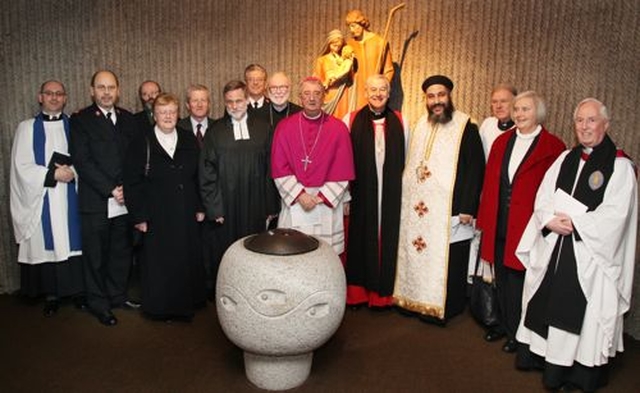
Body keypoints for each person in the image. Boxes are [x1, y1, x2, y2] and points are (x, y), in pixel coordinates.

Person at [515, 98, 637, 392]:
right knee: (544, 297)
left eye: (591, 120)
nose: (584, 126)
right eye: (580, 121)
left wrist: (577, 224)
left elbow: (616, 215)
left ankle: (578, 373)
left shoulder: (619, 167)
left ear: (605, 124)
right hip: (556, 244)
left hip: (590, 255)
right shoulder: (564, 159)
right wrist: (548, 220)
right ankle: (546, 360)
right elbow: (543, 197)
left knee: (582, 307)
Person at [475, 91, 565, 353]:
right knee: (502, 278)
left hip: (528, 227)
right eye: (517, 109)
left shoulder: (553, 146)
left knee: (521, 280)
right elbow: (491, 183)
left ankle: (519, 332)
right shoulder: (502, 142)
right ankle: (503, 325)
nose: (519, 114)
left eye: (525, 109)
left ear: (538, 113)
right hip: (499, 221)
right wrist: (485, 218)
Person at [394, 75, 485, 324]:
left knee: (450, 258)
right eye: (432, 96)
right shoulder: (421, 124)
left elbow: (476, 167)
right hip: (420, 208)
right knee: (419, 252)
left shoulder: (466, 125)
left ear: (449, 96)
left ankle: (446, 307)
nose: (437, 101)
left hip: (451, 208)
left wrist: (468, 206)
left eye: (441, 95)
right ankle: (415, 301)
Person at [124, 93, 206, 321]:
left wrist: (200, 206)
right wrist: (139, 216)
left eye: (172, 111)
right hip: (156, 213)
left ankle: (186, 304)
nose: (168, 116)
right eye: (163, 112)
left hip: (186, 210)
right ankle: (161, 308)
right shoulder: (142, 142)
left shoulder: (189, 139)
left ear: (178, 113)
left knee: (185, 258)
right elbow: (132, 181)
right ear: (154, 115)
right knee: (160, 262)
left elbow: (199, 175)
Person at [9, 80, 84, 317]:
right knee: (48, 241)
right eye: (49, 93)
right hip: (42, 195)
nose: (54, 97)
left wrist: (73, 173)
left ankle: (79, 292)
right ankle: (51, 294)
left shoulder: (77, 126)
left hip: (71, 194)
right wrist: (52, 174)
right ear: (40, 97)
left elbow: (88, 159)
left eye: (59, 93)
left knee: (74, 240)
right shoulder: (27, 128)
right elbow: (21, 167)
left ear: (65, 98)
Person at [70, 70, 138, 326]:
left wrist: (127, 189)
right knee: (96, 256)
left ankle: (117, 296)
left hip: (124, 200)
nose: (107, 92)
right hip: (97, 200)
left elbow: (134, 159)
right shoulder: (80, 120)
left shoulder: (129, 119)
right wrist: (112, 188)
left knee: (121, 252)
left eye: (111, 87)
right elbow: (82, 161)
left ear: (118, 90)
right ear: (92, 91)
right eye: (101, 87)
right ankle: (98, 304)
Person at [200, 80, 279, 280]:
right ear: (224, 103)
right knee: (226, 253)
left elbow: (271, 168)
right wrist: (214, 208)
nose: (234, 106)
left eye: (239, 100)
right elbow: (207, 172)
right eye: (229, 102)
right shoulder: (215, 131)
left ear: (247, 100)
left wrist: (271, 206)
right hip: (226, 206)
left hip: (256, 203)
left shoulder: (264, 129)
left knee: (255, 249)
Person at [343, 74, 408, 309]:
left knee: (389, 237)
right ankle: (359, 293)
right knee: (361, 236)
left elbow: (407, 160)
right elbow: (342, 162)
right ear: (365, 93)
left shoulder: (401, 121)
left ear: (389, 93)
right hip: (361, 192)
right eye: (373, 90)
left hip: (391, 192)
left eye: (382, 89)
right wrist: (345, 196)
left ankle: (385, 294)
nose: (378, 94)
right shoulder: (349, 120)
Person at [271, 76, 355, 254]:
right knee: (293, 253)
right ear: (300, 97)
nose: (312, 98)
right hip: (295, 202)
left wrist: (319, 197)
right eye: (307, 93)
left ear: (324, 97)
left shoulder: (338, 128)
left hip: (325, 204)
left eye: (317, 93)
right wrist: (300, 195)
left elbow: (343, 168)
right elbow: (279, 166)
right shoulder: (285, 127)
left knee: (324, 256)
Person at [345, 9, 394, 111]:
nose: (351, 30)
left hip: (375, 92)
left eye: (353, 26)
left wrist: (381, 87)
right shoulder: (349, 45)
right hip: (356, 91)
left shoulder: (380, 43)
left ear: (361, 23)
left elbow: (388, 70)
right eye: (349, 27)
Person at [314, 29, 355, 120]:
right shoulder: (322, 60)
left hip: (343, 93)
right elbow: (316, 79)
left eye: (339, 46)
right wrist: (324, 84)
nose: (336, 48)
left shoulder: (344, 59)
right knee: (328, 120)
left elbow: (350, 80)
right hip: (329, 93)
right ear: (329, 44)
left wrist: (350, 69)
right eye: (334, 45)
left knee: (342, 118)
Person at [479, 84, 517, 159]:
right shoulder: (488, 124)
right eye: (494, 102)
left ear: (515, 103)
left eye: (503, 101)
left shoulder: (522, 128)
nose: (498, 106)